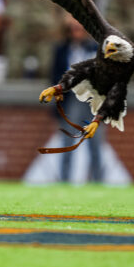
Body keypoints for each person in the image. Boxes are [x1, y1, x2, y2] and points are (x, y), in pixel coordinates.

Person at [51, 16, 102, 183]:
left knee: (96, 144)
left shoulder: (96, 49)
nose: (76, 32)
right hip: (71, 99)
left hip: (92, 100)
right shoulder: (62, 49)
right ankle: (64, 181)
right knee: (67, 142)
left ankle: (98, 181)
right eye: (73, 29)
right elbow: (54, 76)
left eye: (79, 29)